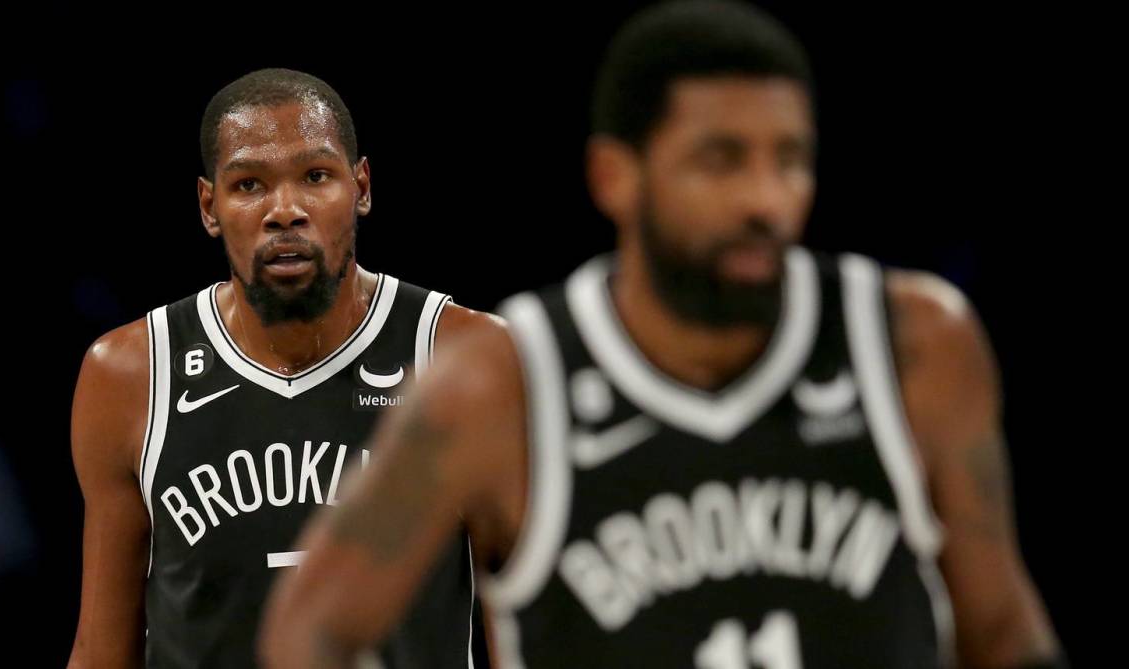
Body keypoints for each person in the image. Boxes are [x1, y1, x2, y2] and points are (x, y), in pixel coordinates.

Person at [260, 3, 1064, 667]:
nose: (765, 198)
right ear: (616, 175)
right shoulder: (499, 384)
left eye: (789, 160)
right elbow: (312, 630)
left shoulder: (912, 343)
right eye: (722, 160)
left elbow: (1001, 628)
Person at [67, 68, 489, 668]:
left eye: (315, 176)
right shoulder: (130, 374)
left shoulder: (464, 358)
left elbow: (528, 628)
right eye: (249, 185)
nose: (284, 210)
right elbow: (101, 650)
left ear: (362, 187)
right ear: (209, 206)